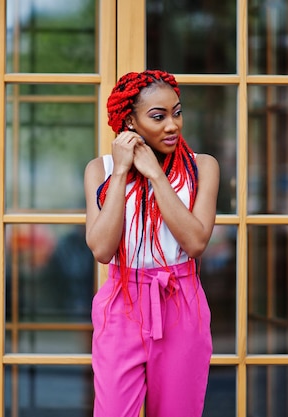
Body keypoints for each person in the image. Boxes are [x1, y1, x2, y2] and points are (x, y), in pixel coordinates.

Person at [84, 70, 219, 417]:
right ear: (129, 119)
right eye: (157, 117)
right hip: (121, 303)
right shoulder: (100, 170)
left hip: (180, 301)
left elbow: (196, 241)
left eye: (177, 112)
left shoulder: (202, 167)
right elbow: (102, 250)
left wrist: (156, 175)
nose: (172, 125)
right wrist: (121, 173)